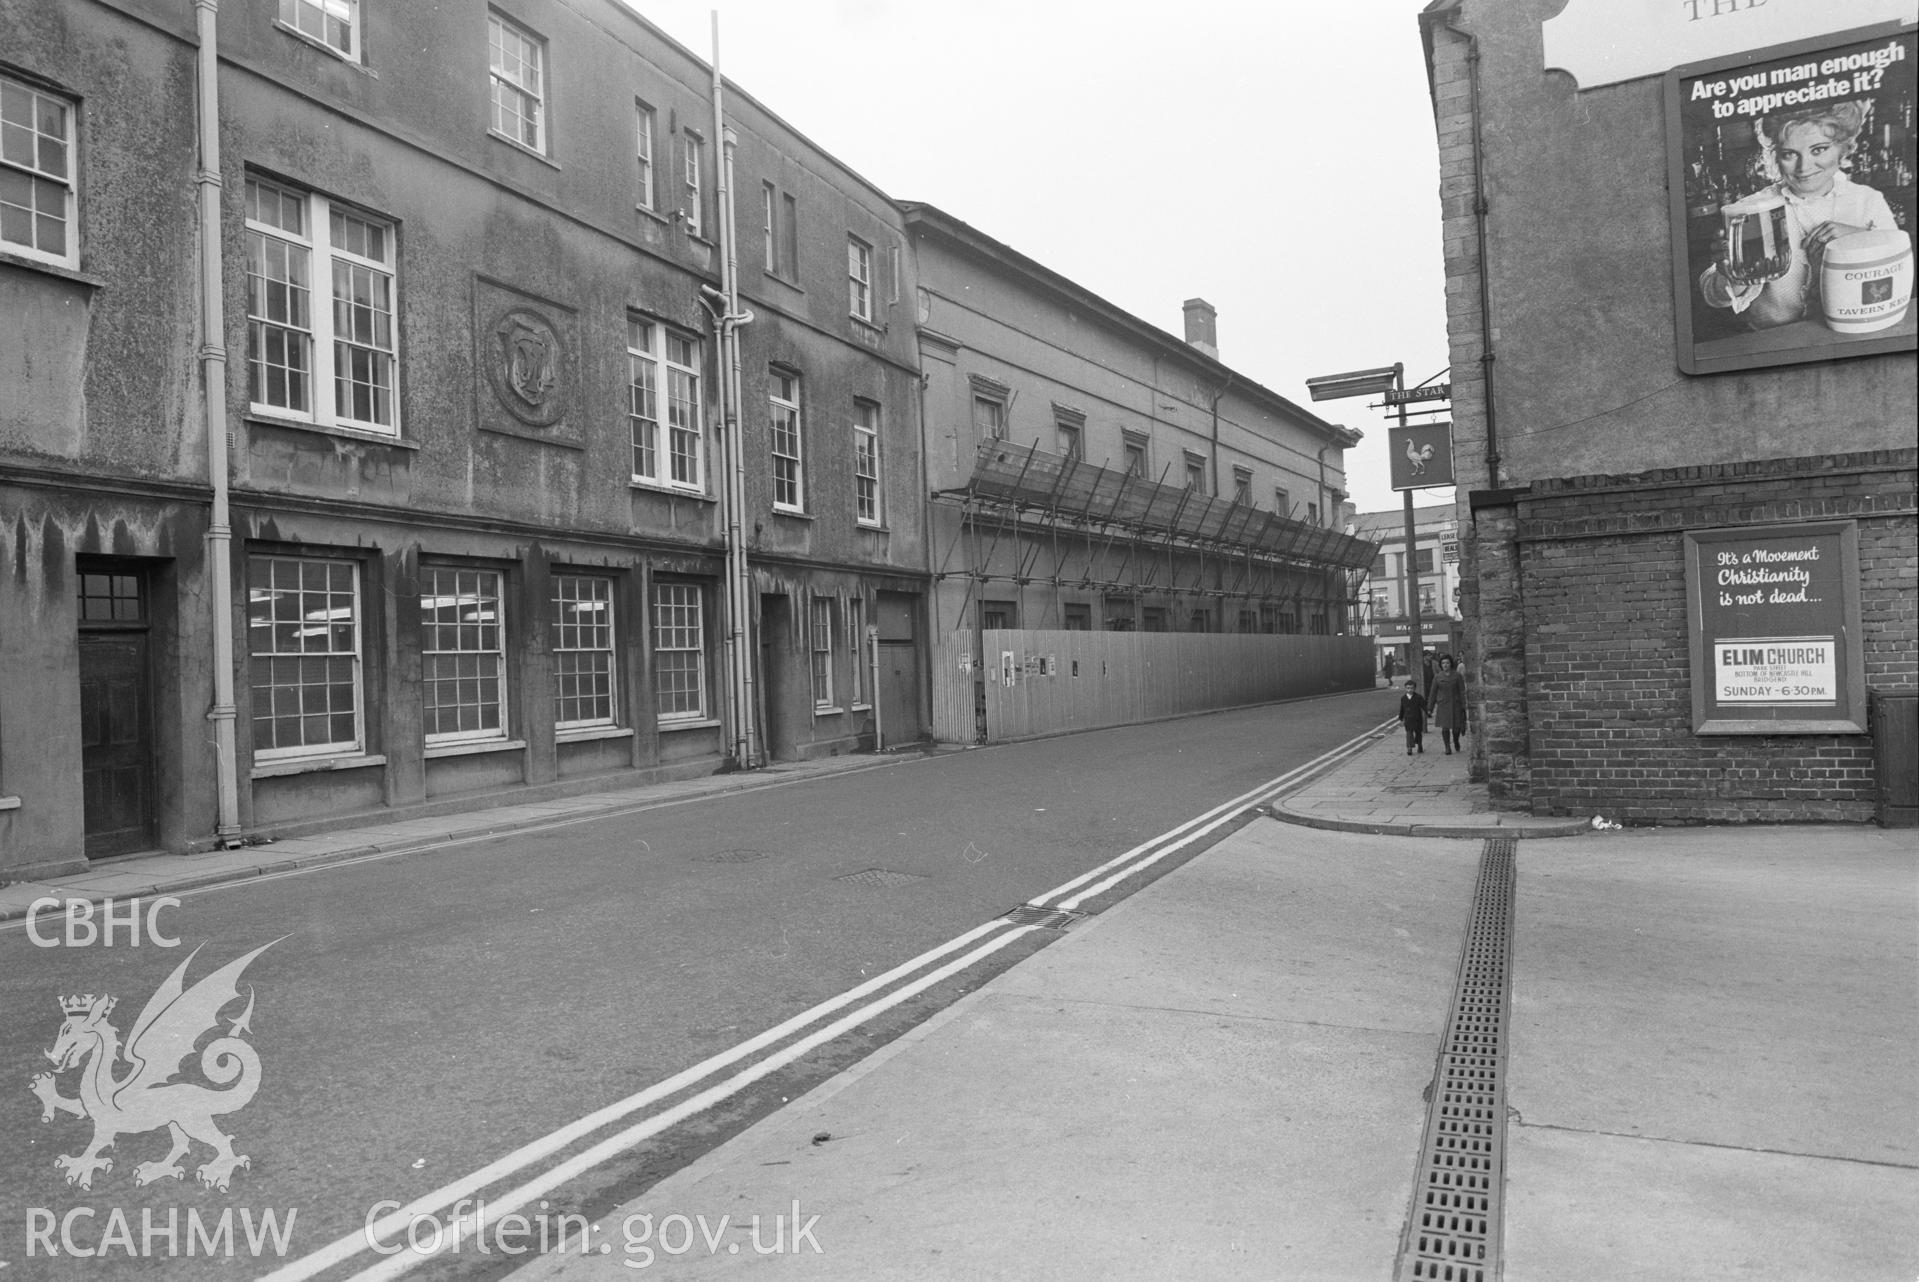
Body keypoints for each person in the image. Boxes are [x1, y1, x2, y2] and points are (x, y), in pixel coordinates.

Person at [1698, 101, 1900, 330]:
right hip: (1775, 344)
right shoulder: (1752, 208)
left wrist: (1861, 239)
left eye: (1819, 149)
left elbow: (1899, 271)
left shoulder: (1867, 201)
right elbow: (1711, 295)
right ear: (1775, 156)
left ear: (1843, 148)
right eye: (1790, 154)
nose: (1804, 167)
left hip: (1853, 333)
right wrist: (1732, 276)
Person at [1430, 654, 1467, 755]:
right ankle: (1447, 746)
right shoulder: (1438, 677)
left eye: (1447, 663)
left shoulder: (1457, 676)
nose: (1445, 665)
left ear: (1451, 664)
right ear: (1440, 665)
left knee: (1456, 728)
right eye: (1443, 663)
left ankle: (1456, 741)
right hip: (1443, 705)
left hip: (1456, 704)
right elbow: (1433, 693)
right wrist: (1430, 707)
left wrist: (1464, 705)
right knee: (1445, 727)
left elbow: (1462, 691)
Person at [1398, 678, 1426, 756]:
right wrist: (1401, 717)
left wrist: (1428, 712)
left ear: (1414, 688)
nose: (1410, 690)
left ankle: (1419, 745)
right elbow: (1402, 708)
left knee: (1418, 733)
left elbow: (1424, 705)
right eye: (1408, 688)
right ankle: (1409, 748)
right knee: (1409, 733)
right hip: (1408, 719)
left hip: (1417, 718)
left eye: (1412, 688)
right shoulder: (1403, 698)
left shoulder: (1418, 697)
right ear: (1405, 688)